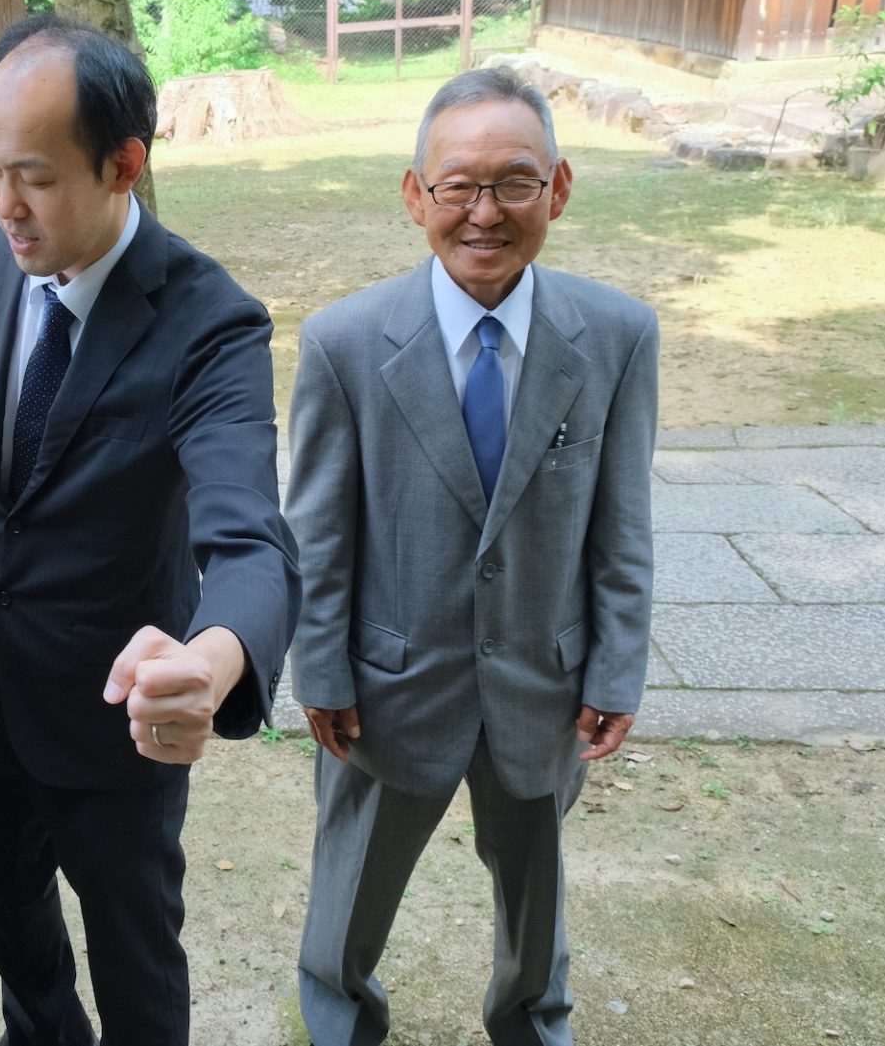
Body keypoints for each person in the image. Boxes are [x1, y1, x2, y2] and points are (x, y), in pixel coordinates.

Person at [0, 12, 300, 1046]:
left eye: (33, 176)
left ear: (125, 163)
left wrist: (213, 660)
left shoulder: (209, 323)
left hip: (118, 713)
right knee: (8, 914)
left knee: (134, 950)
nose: (4, 205)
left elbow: (251, 543)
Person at [285, 66, 658, 1046]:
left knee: (537, 911)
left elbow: (623, 523)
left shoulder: (616, 337)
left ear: (560, 189)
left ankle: (532, 1023)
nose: (483, 213)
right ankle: (339, 1023)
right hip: (386, 681)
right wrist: (319, 667)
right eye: (458, 186)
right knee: (349, 901)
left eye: (514, 183)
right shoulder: (345, 345)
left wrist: (617, 665)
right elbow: (318, 533)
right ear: (417, 197)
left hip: (545, 679)